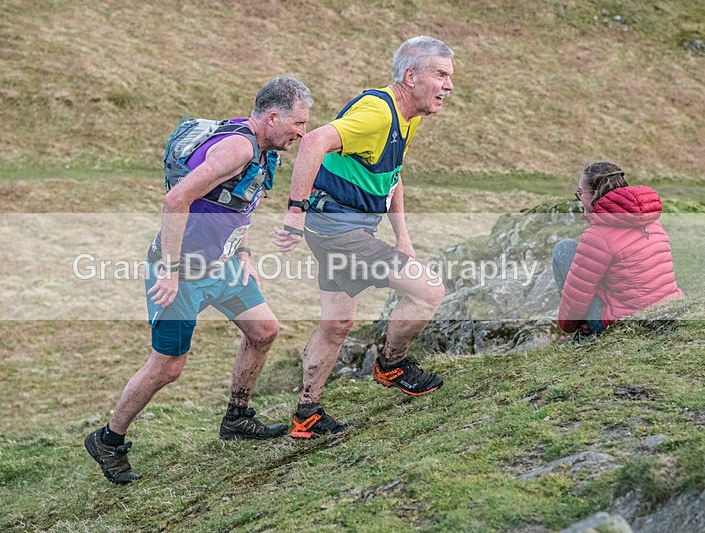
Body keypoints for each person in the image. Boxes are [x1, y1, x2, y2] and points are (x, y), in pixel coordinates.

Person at [85, 76, 312, 484]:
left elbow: (241, 202)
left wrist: (243, 252)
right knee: (167, 367)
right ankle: (108, 439)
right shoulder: (239, 147)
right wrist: (170, 272)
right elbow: (176, 200)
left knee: (263, 330)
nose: (303, 132)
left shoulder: (262, 151)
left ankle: (237, 417)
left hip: (222, 267)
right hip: (181, 274)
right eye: (298, 123)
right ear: (274, 117)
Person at [272, 36, 453, 439]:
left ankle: (307, 414)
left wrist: (402, 237)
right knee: (428, 291)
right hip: (337, 230)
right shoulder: (378, 113)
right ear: (411, 76)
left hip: (346, 228)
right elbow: (315, 140)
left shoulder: (409, 115)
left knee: (337, 323)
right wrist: (294, 212)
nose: (449, 86)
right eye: (440, 75)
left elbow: (392, 174)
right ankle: (392, 365)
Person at [553, 161, 683, 343]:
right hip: (668, 309)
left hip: (629, 323)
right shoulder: (650, 219)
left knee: (564, 249)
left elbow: (576, 298)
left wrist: (568, 326)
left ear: (594, 194)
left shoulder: (597, 237)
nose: (579, 198)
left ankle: (586, 333)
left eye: (580, 193)